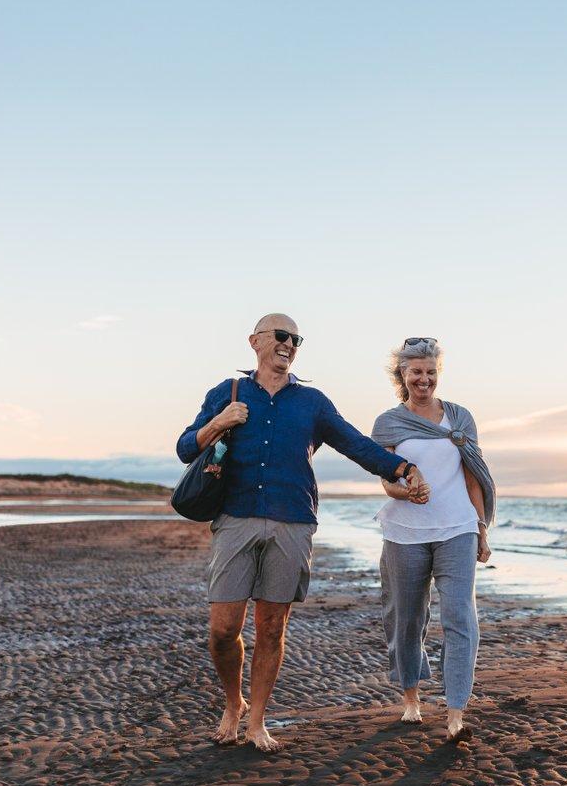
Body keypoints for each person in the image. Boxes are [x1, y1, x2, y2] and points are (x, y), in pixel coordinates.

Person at [175, 314, 428, 752]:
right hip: (235, 518)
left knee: (272, 628)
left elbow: (355, 443)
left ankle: (256, 722)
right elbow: (184, 447)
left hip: (293, 521)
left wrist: (401, 468)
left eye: (296, 339)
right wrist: (221, 421)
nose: (289, 344)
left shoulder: (311, 402)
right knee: (222, 629)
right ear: (255, 341)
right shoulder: (226, 393)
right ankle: (232, 703)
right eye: (281, 335)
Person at [371, 337, 495, 744]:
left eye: (431, 372)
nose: (424, 380)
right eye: (416, 372)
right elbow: (387, 480)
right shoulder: (388, 423)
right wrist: (407, 492)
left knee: (460, 618)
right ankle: (411, 699)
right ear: (402, 376)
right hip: (405, 533)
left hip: (457, 528)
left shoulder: (459, 417)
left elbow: (472, 474)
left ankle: (457, 712)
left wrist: (481, 527)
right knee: (407, 619)